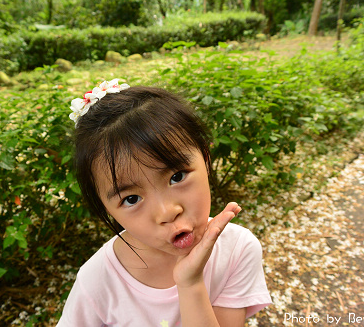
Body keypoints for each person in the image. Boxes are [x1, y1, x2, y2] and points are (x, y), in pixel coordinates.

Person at [57, 79, 272, 326]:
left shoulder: (237, 250)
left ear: (205, 155)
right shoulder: (97, 282)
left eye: (177, 176)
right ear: (105, 208)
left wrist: (190, 284)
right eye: (131, 199)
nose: (167, 212)